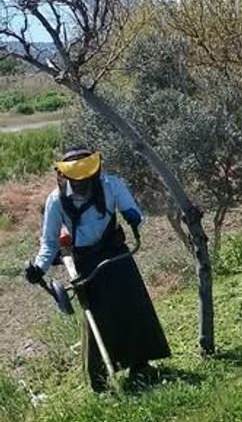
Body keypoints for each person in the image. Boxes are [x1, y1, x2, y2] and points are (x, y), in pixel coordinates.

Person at [23, 148, 170, 391]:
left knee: (132, 308)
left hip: (115, 253)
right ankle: (100, 381)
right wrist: (39, 267)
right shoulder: (56, 201)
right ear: (65, 176)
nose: (82, 184)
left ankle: (141, 366)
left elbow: (134, 212)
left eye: (87, 178)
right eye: (76, 180)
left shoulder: (111, 186)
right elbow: (49, 242)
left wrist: (133, 216)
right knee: (97, 319)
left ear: (95, 172)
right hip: (85, 261)